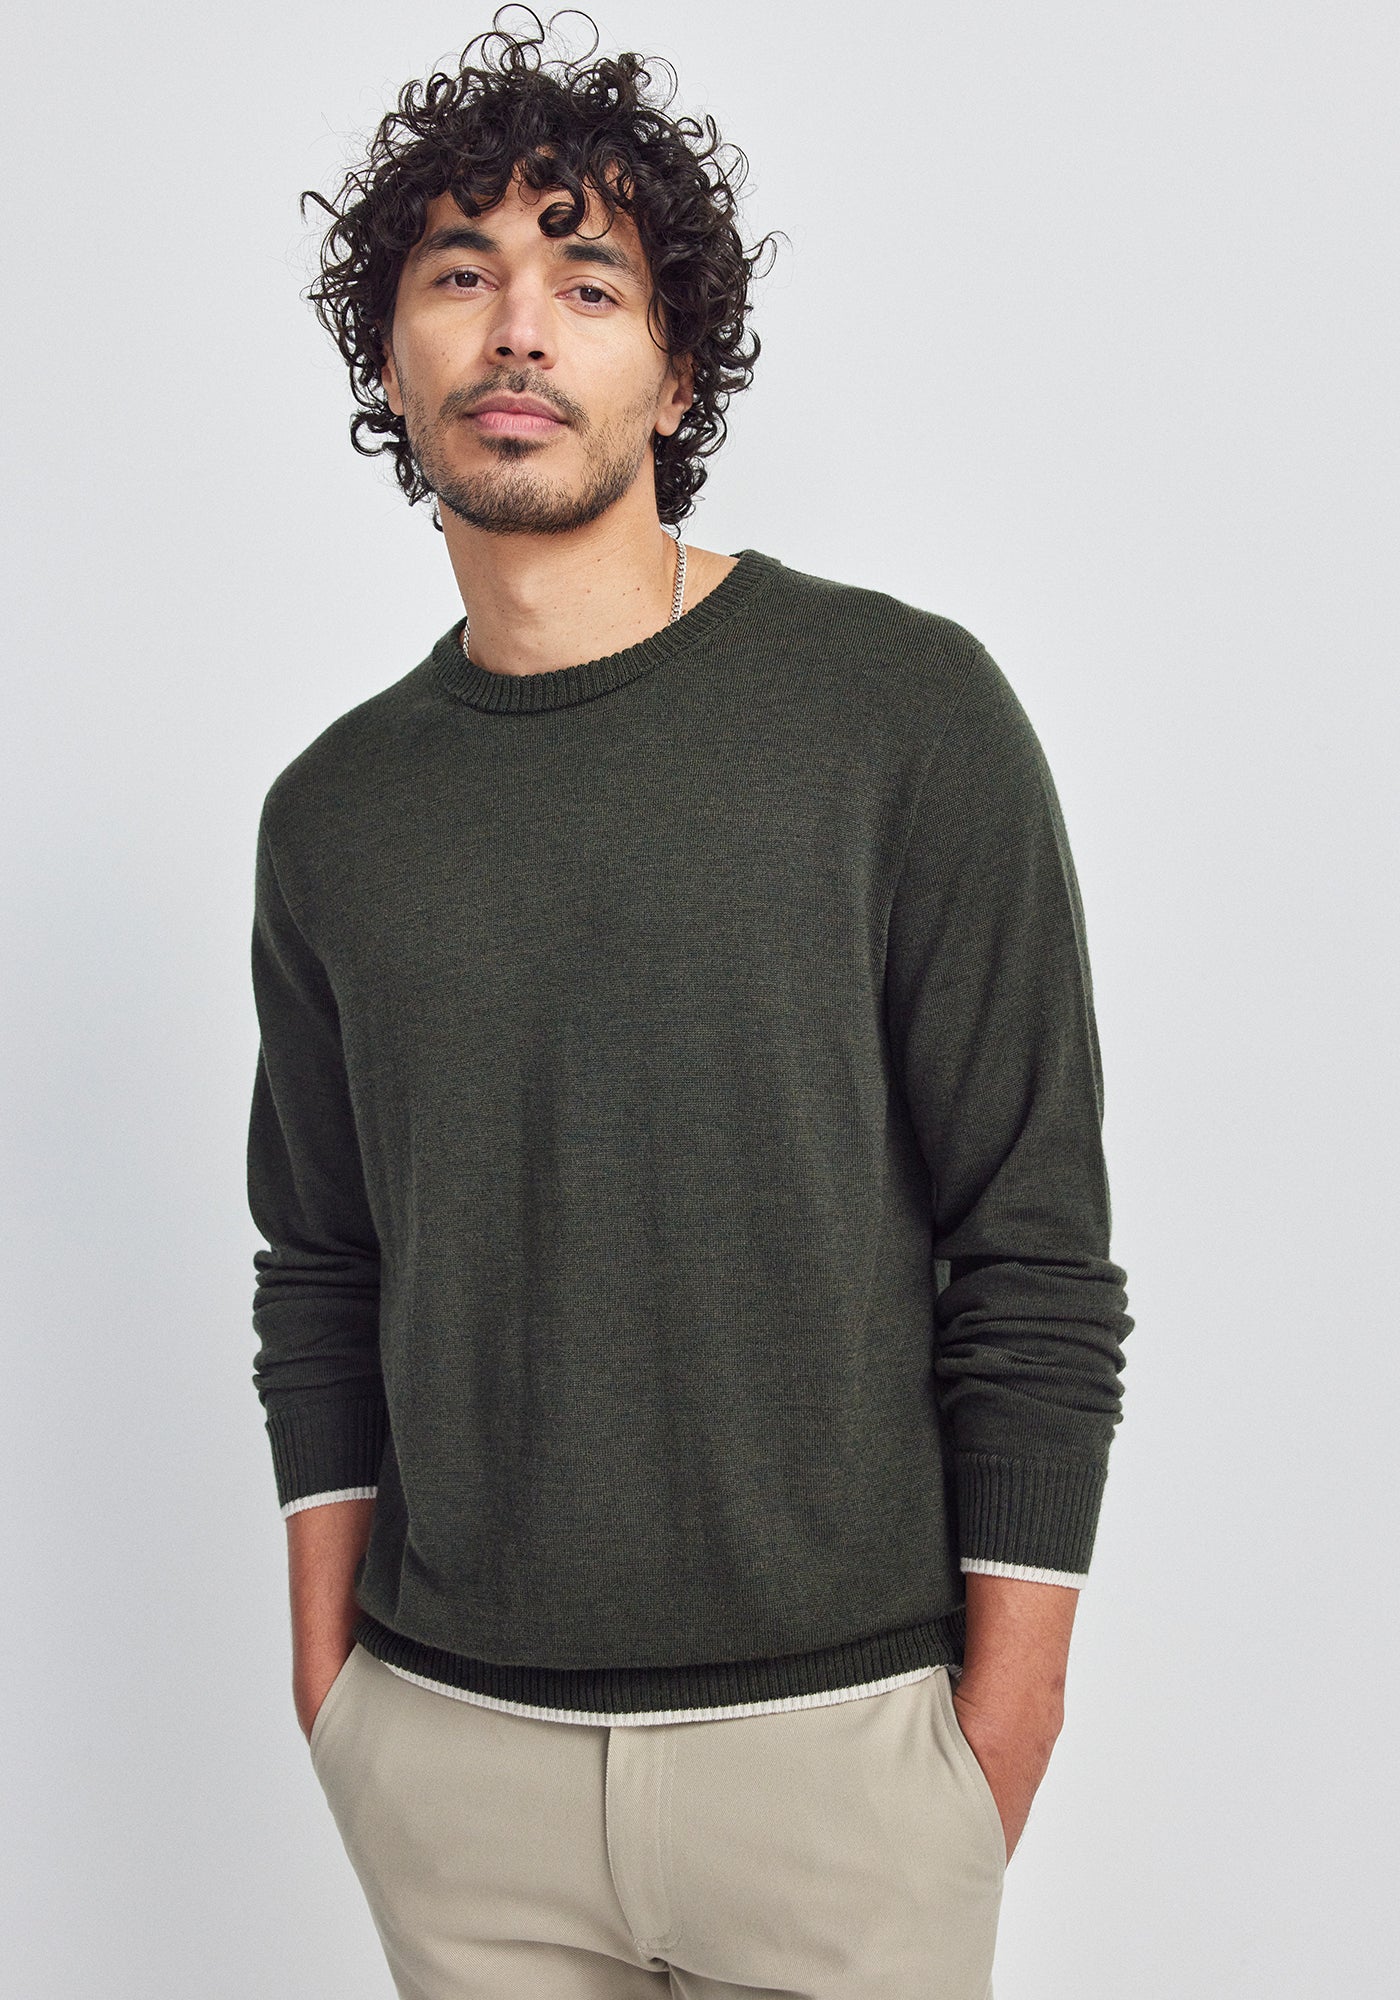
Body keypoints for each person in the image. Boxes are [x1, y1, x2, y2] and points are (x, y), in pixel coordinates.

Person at [245, 12, 1134, 1997]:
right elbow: (321, 1263)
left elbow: (1032, 1246)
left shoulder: (898, 714)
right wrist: (336, 1693)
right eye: (460, 275)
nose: (518, 331)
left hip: (840, 1763)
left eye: (588, 281)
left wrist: (993, 1742)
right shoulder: (334, 816)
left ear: (677, 367)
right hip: (452, 1763)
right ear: (390, 355)